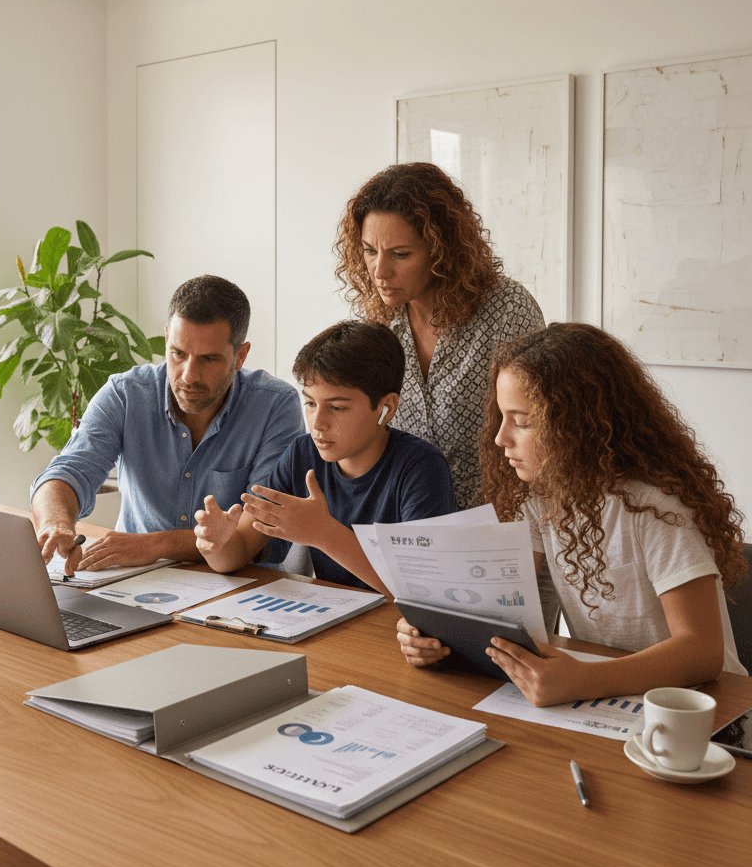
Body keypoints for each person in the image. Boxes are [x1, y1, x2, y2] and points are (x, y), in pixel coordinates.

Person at [397, 322, 748, 705]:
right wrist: (435, 636)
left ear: (579, 425)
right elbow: (493, 608)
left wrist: (585, 679)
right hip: (616, 695)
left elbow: (702, 652)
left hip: (707, 703)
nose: (500, 438)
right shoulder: (538, 498)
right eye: (500, 417)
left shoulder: (657, 507)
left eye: (523, 422)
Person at [31, 275, 304, 575]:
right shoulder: (126, 394)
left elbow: (253, 532)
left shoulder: (274, 407)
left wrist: (155, 545)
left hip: (238, 588)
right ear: (166, 339)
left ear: (240, 355)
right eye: (178, 353)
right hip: (133, 581)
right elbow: (67, 472)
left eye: (209, 359)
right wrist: (55, 522)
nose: (188, 375)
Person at [334, 162, 544, 510]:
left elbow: (541, 436)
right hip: (410, 524)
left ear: (441, 249)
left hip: (500, 523)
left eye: (400, 254)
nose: (379, 271)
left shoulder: (508, 311)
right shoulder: (378, 323)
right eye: (370, 251)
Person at [193, 320, 456, 592]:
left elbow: (424, 592)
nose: (317, 423)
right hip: (337, 620)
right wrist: (217, 546)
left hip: (399, 629)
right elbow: (242, 546)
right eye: (310, 403)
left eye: (337, 407)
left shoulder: (422, 468)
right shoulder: (302, 455)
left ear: (386, 408)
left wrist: (323, 533)